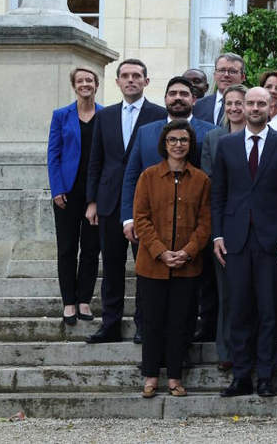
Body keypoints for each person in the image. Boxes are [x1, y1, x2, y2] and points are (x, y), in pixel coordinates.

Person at [211, 87, 277, 398]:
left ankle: (265, 376)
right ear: (242, 107)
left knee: (268, 310)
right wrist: (217, 234)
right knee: (238, 309)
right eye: (250, 103)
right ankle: (240, 376)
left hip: (272, 239)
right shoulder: (226, 145)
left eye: (262, 103)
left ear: (271, 107)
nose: (255, 107)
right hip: (235, 239)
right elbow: (218, 195)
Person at [119, 77, 216, 342]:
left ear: (194, 99)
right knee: (148, 280)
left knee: (198, 281)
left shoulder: (209, 131)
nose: (178, 98)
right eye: (172, 93)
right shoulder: (146, 131)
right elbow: (131, 175)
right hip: (151, 223)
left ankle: (196, 328)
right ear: (164, 99)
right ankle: (145, 328)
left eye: (184, 94)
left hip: (192, 224)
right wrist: (128, 217)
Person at [85, 59, 167, 345]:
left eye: (136, 76)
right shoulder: (104, 116)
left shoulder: (160, 115)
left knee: (145, 267)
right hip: (108, 202)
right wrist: (92, 201)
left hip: (145, 205)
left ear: (146, 81)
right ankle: (110, 324)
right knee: (111, 266)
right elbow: (95, 160)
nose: (130, 80)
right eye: (125, 76)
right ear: (117, 82)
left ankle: (144, 324)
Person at [132, 120, 211, 399]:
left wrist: (188, 251)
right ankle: (151, 376)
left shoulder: (201, 179)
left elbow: (205, 222)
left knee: (181, 322)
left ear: (190, 145)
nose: (179, 145)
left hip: (187, 267)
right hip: (153, 265)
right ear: (164, 144)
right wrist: (160, 251)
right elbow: (141, 219)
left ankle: (176, 377)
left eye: (184, 140)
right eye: (173, 140)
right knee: (152, 321)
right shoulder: (148, 176)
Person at [48, 67, 103, 326]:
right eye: (80, 80)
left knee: (91, 249)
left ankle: (84, 300)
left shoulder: (106, 115)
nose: (85, 84)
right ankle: (69, 302)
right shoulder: (61, 115)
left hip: (96, 194)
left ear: (96, 84)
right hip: (67, 194)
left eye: (89, 80)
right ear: (74, 85)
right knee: (67, 248)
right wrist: (57, 188)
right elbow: (53, 154)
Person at [200, 84, 247, 371]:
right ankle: (226, 350)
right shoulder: (213, 138)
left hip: (255, 223)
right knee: (226, 291)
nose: (234, 108)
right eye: (229, 103)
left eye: (238, 103)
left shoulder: (260, 137)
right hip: (225, 222)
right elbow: (210, 182)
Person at [193, 53, 245, 126]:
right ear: (215, 75)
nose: (226, 75)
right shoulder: (198, 105)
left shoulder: (249, 105)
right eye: (222, 70)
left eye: (232, 71)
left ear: (242, 77)